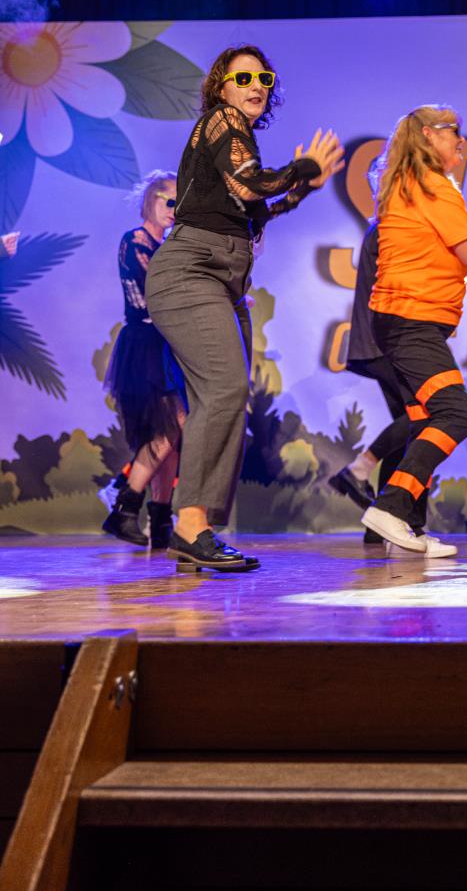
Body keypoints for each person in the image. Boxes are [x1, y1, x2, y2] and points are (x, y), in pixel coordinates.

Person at [147, 45, 343, 572]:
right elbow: (248, 183)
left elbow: (256, 209)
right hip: (191, 272)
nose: (257, 85)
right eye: (244, 78)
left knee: (224, 396)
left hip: (222, 280)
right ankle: (191, 525)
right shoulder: (223, 120)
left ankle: (196, 526)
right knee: (225, 389)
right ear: (221, 87)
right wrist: (303, 167)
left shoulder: (238, 139)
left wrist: (302, 188)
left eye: (264, 79)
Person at [360, 105, 467, 557]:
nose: (461, 139)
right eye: (453, 130)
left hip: (400, 320)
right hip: (411, 321)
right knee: (456, 416)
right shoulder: (434, 185)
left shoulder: (404, 183)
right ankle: (391, 508)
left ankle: (408, 526)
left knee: (423, 420)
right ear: (426, 136)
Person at [102, 171, 187, 550]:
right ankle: (126, 505)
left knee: (171, 434)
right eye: (169, 201)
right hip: (145, 344)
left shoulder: (164, 246)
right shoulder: (135, 241)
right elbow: (160, 293)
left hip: (165, 343)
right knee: (172, 425)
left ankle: (160, 518)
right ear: (151, 200)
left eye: (179, 203)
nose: (174, 209)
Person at [328, 220, 411, 544]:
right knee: (428, 414)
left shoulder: (384, 227)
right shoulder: (390, 227)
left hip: (382, 342)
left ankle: (381, 521)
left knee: (408, 425)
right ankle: (358, 471)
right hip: (386, 342)